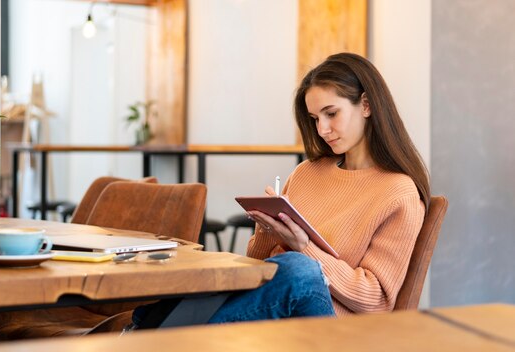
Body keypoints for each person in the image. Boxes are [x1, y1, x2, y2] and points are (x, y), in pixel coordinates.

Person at [131, 52, 430, 327]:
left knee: (299, 270)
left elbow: (377, 300)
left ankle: (158, 335)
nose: (322, 130)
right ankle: (152, 330)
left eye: (331, 113)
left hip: (341, 331)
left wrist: (304, 248)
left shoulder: (399, 193)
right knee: (211, 272)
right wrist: (268, 228)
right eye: (314, 119)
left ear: (366, 105)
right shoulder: (306, 173)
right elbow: (258, 267)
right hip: (281, 314)